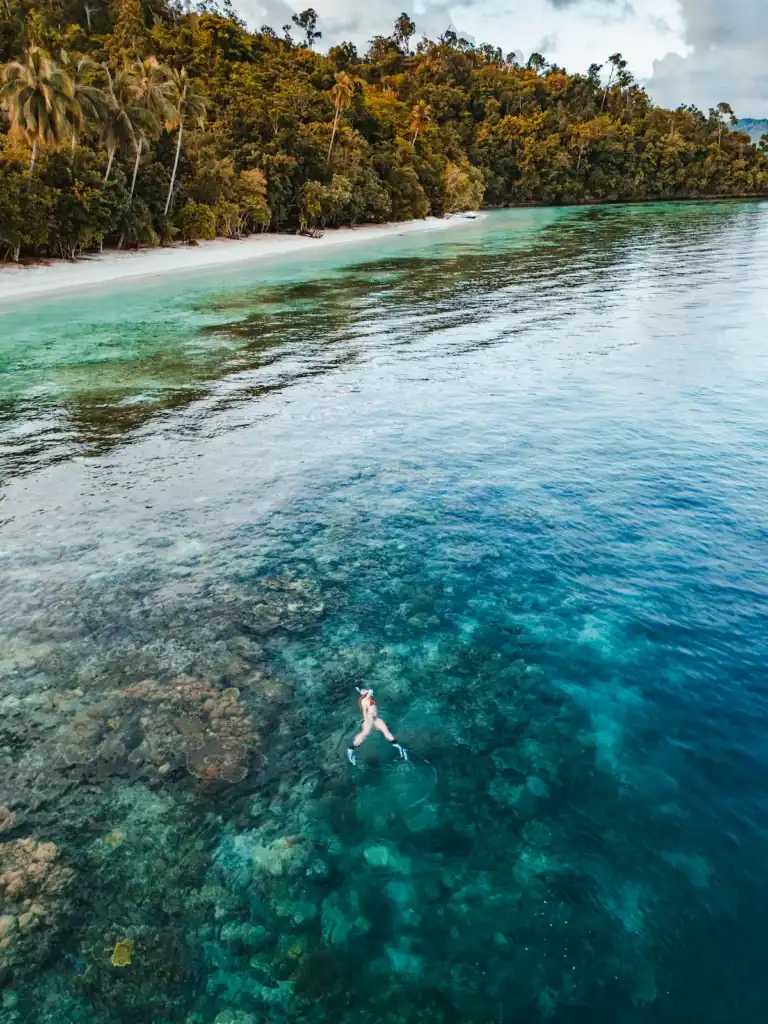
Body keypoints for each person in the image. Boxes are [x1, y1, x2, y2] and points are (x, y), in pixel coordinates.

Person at [347, 688, 407, 765]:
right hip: (369, 718)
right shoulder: (364, 701)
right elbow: (364, 712)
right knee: (365, 733)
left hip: (375, 718)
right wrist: (367, 721)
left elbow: (371, 691)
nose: (366, 691)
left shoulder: (367, 698)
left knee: (386, 731)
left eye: (365, 690)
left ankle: (399, 748)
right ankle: (351, 749)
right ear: (364, 694)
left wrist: (366, 692)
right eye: (364, 691)